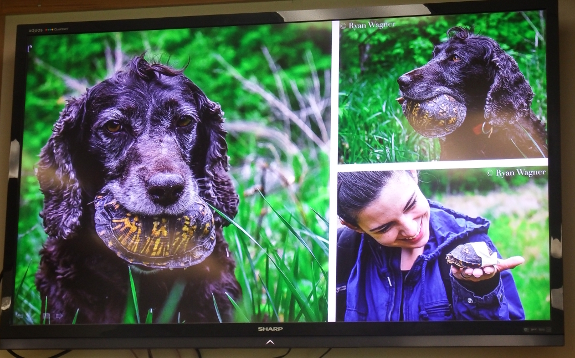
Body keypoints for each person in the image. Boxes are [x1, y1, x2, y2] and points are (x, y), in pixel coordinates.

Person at [336, 170, 525, 321]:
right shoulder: (344, 251)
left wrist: (482, 290)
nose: (411, 231)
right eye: (385, 227)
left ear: (413, 173)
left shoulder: (470, 242)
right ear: (354, 226)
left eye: (410, 205)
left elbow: (508, 336)